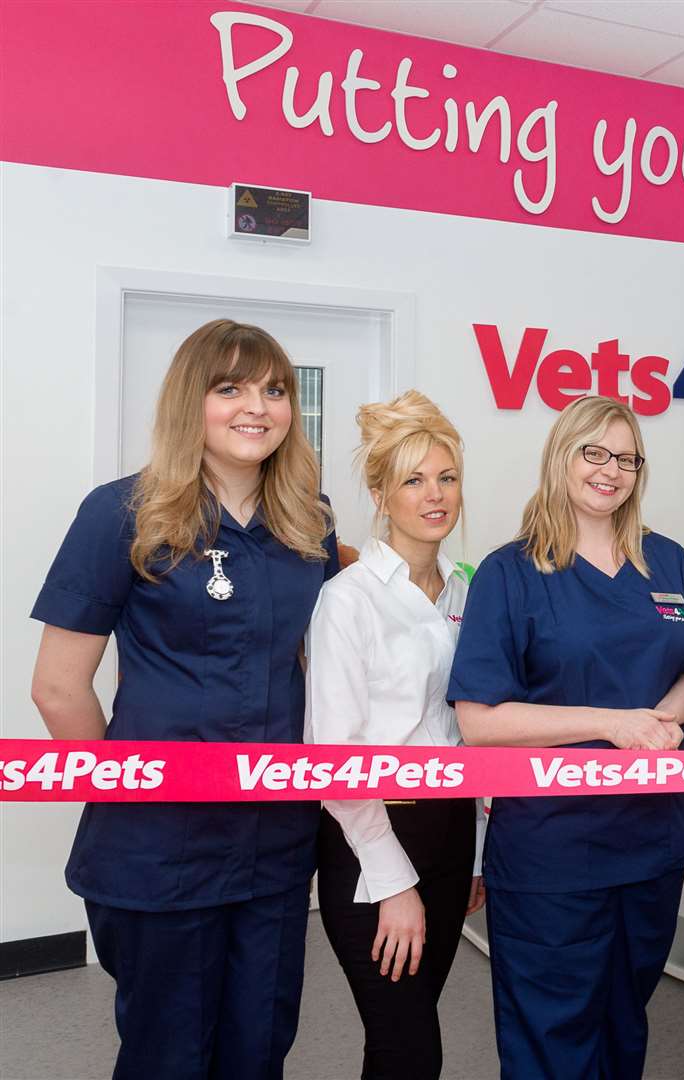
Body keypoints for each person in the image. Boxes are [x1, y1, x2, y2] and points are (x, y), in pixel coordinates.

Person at [29, 318, 338, 1079]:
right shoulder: (122, 513)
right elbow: (59, 687)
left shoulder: (311, 521)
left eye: (273, 390)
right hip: (157, 847)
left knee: (259, 1048)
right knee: (168, 1056)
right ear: (188, 401)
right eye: (228, 387)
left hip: (272, 843)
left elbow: (322, 662)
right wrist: (125, 792)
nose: (256, 406)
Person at [448, 395, 684, 1080]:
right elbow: (479, 720)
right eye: (594, 452)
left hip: (652, 845)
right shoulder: (511, 573)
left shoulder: (668, 561)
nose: (611, 470)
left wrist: (665, 718)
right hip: (552, 854)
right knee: (552, 1039)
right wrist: (608, 723)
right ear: (561, 457)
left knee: (625, 1027)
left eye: (626, 458)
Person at [305, 391, 485, 1080]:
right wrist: (392, 882)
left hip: (449, 835)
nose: (434, 496)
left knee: (397, 1042)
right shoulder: (348, 599)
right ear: (381, 494)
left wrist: (475, 853)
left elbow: (470, 732)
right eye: (413, 480)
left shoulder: (467, 591)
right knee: (413, 1049)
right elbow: (332, 756)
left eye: (446, 477)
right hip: (372, 841)